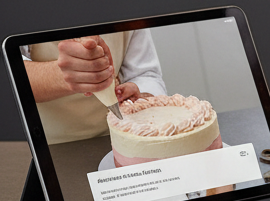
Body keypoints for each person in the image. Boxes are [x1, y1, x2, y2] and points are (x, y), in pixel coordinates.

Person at [23, 31, 166, 144]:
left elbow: (145, 73)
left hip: (121, 140)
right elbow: (8, 75)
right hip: (46, 145)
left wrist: (142, 98)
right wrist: (61, 76)